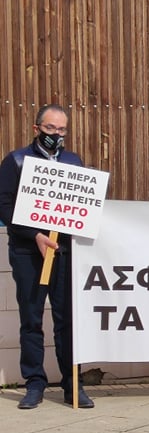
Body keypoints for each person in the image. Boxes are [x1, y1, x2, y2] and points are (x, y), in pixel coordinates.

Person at [0, 104, 94, 409]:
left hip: (64, 252)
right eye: (51, 128)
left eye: (62, 129)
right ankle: (35, 385)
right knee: (31, 318)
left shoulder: (73, 162)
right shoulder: (16, 161)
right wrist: (35, 236)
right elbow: (5, 206)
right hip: (28, 251)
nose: (57, 134)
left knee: (67, 320)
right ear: (37, 128)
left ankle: (72, 385)